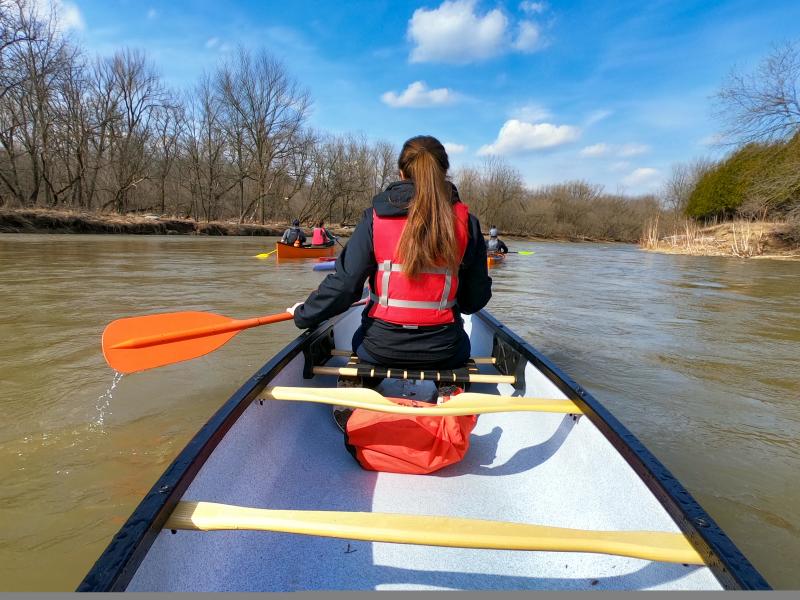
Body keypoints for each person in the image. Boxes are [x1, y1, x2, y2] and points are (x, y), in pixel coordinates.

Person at [286, 135, 492, 370]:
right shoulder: (467, 223)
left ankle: (369, 383)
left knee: (364, 343)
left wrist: (303, 314)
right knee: (459, 346)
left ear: (401, 173)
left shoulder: (373, 218)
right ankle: (448, 391)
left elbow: (344, 286)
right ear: (444, 173)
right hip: (445, 350)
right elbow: (474, 302)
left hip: (378, 348)